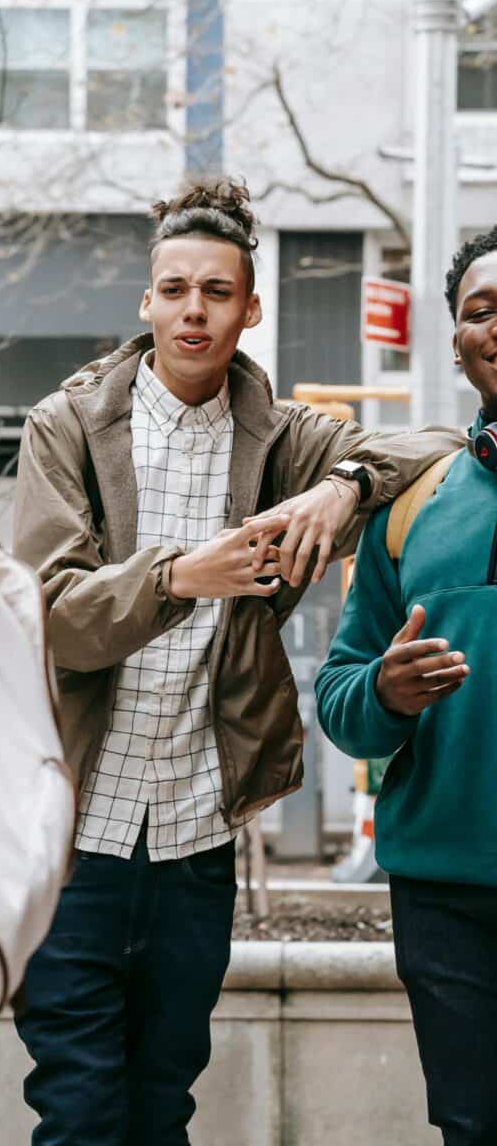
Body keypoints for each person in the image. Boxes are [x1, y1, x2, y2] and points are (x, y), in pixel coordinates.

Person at [11, 177, 464, 1146]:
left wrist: (343, 488)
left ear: (248, 310)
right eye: (173, 289)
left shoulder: (279, 439)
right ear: (145, 302)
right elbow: (55, 620)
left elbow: (439, 444)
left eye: (215, 293)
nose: (192, 310)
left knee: (161, 1107)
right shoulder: (68, 428)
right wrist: (180, 576)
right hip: (73, 840)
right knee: (78, 1112)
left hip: (191, 843)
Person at [315, 227, 497, 1146]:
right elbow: (340, 696)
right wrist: (384, 693)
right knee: (469, 1128)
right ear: (457, 339)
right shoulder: (413, 503)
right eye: (481, 309)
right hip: (445, 896)